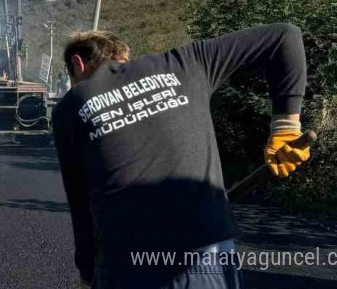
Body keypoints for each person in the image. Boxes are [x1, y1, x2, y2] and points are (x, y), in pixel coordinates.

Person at [53, 23, 311, 289]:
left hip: (123, 262)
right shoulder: (185, 63)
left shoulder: (70, 105)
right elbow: (284, 36)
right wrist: (286, 127)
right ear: (123, 55)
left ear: (78, 64)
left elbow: (80, 204)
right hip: (207, 252)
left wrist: (86, 273)